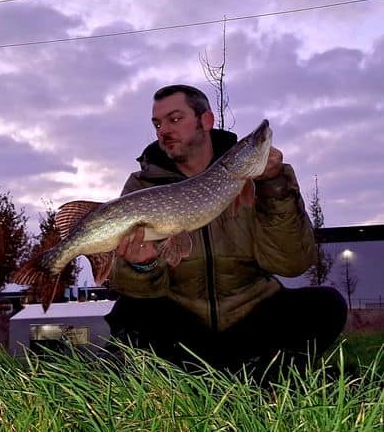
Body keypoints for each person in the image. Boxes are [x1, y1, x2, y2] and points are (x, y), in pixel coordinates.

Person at [106, 84, 347, 375]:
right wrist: (141, 267)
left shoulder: (261, 180)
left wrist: (274, 188)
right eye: (158, 123)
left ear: (206, 121)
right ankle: (217, 378)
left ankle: (259, 377)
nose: (163, 130)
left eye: (175, 119)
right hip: (185, 323)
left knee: (324, 306)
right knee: (129, 314)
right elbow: (125, 284)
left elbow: (292, 263)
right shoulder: (141, 186)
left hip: (250, 314)